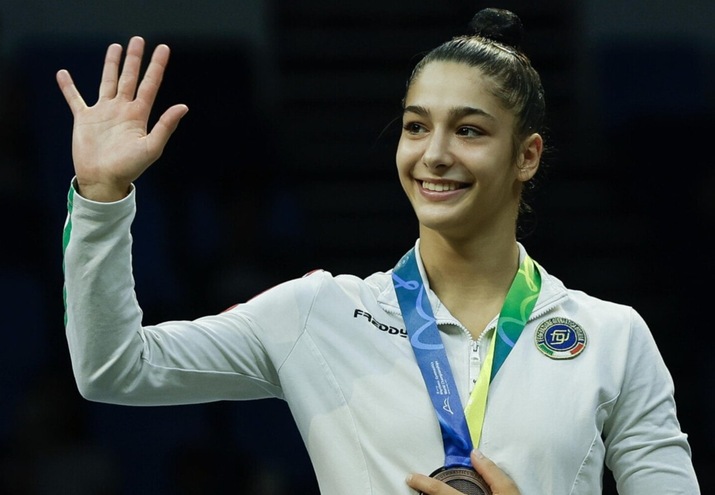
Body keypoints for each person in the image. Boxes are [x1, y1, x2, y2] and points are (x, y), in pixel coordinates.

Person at [57, 8, 699, 495]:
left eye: (469, 130)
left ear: (526, 156)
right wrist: (101, 199)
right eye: (416, 126)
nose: (434, 154)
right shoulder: (319, 314)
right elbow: (115, 368)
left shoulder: (612, 337)